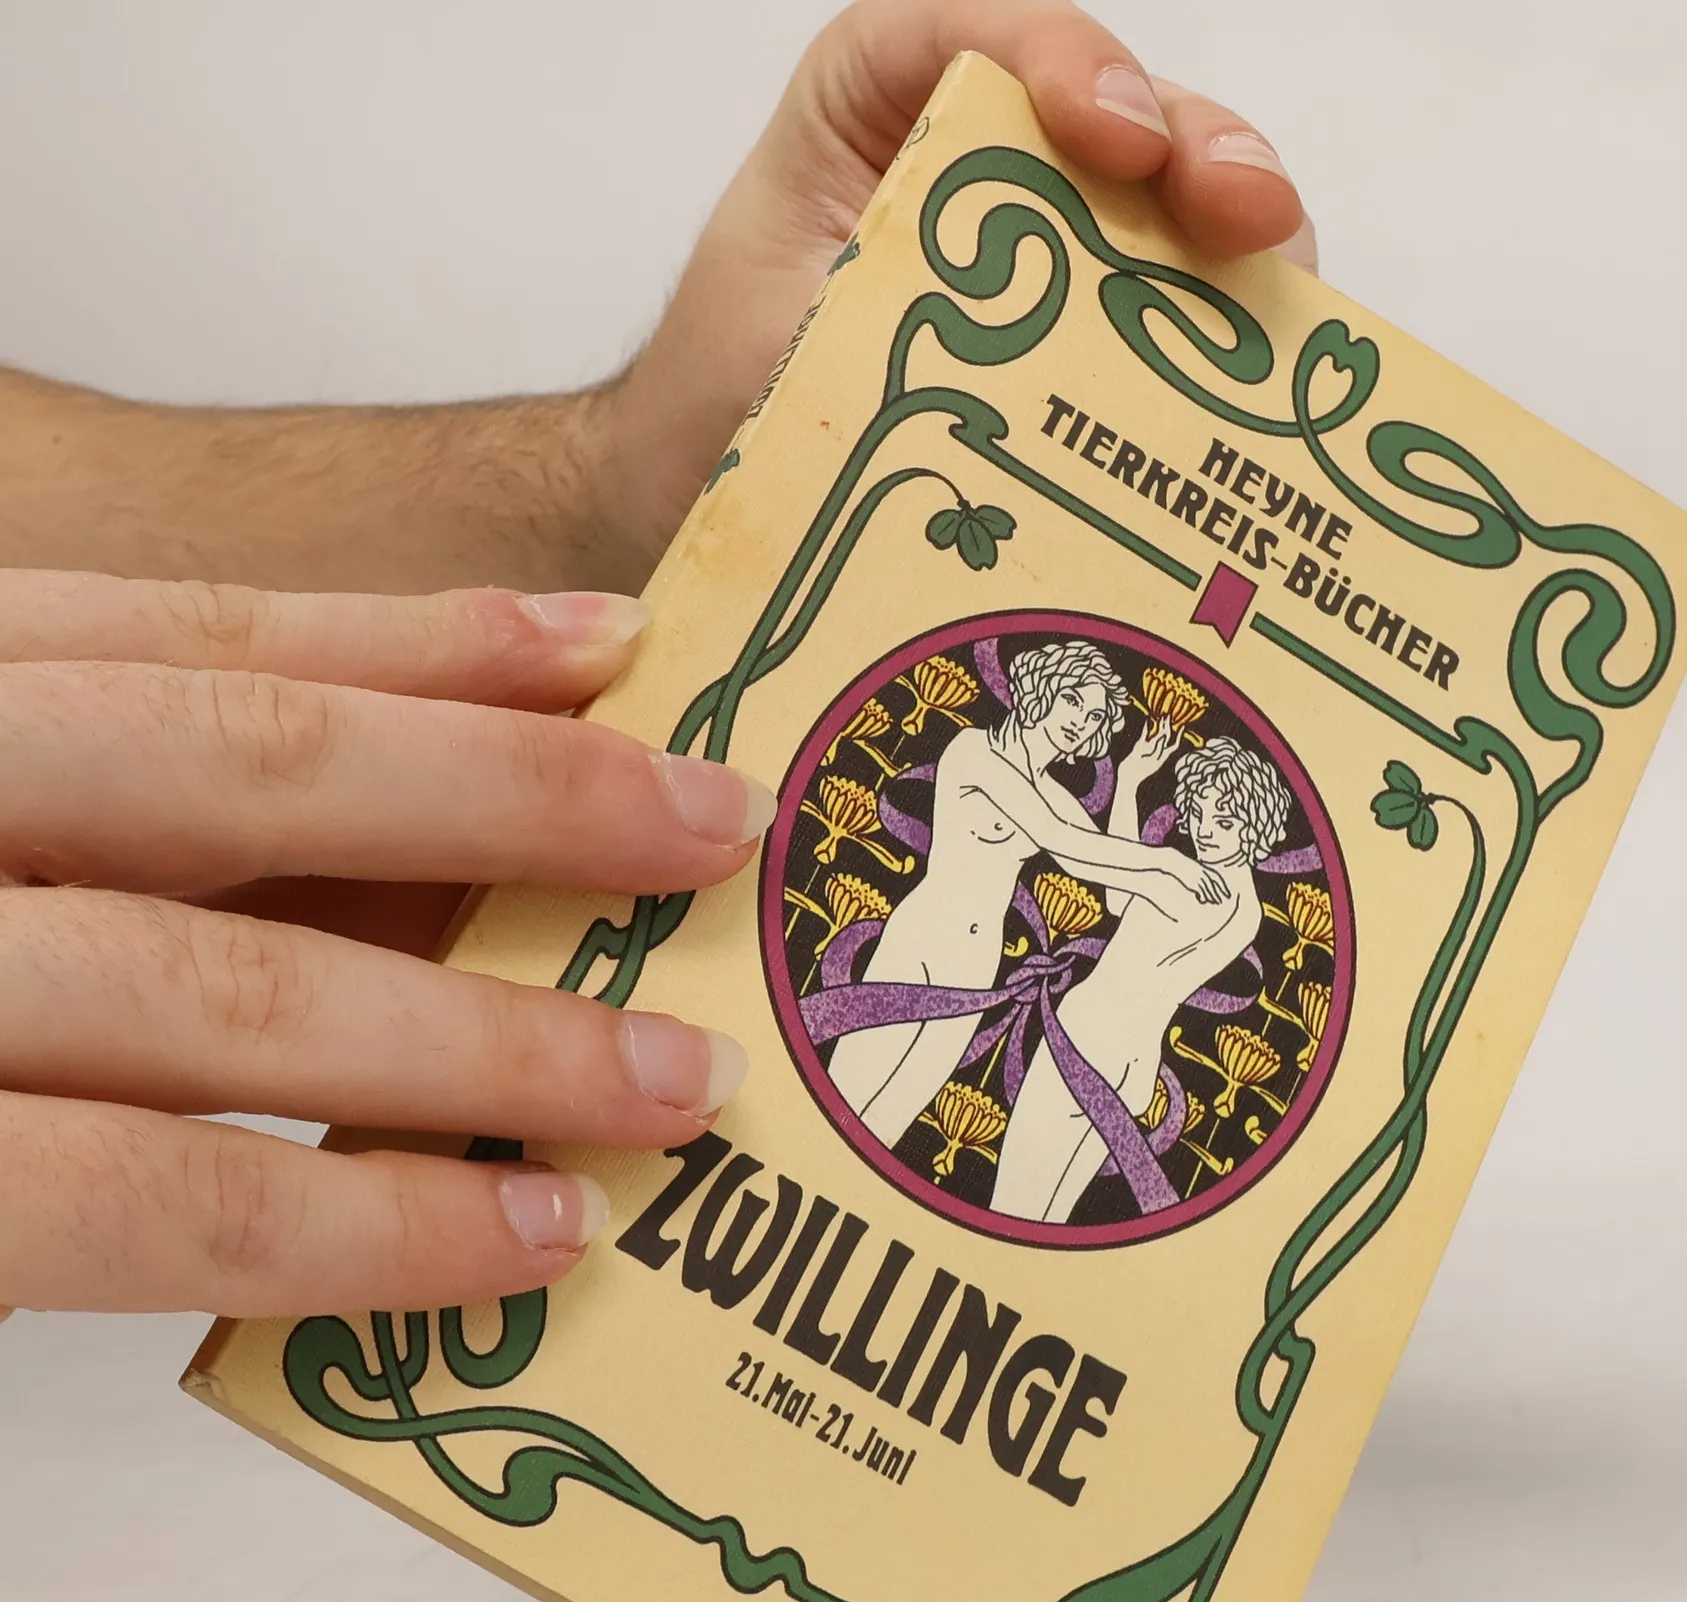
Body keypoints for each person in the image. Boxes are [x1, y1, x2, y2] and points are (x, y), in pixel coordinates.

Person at [0, 0, 1314, 1319]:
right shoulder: (1001, 771)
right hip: (952, 965)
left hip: (1000, 990)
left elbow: (1111, 855)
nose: (1090, 739)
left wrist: (651, 506)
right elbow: (1088, 851)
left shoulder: (1136, 843)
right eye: (1083, 720)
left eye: (1097, 732)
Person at [826, 639, 1226, 1147]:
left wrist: (1128, 784)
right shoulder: (975, 752)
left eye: (1094, 715)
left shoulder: (1052, 793)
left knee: (892, 1117)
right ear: (1042, 689)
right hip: (924, 939)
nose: (1080, 721)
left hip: (976, 965)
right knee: (846, 1093)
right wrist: (1168, 861)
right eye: (1072, 700)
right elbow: (1059, 838)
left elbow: (1109, 880)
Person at [991, 733, 1287, 1223]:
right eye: (1200, 813)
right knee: (1049, 1212)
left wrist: (1033, 779)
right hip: (1134, 1064)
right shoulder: (1246, 910)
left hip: (1089, 1038)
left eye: (1225, 821)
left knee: (1011, 1203)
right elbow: (1118, 900)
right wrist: (1128, 785)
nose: (1206, 831)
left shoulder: (1185, 884)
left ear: (1256, 825)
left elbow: (1087, 859)